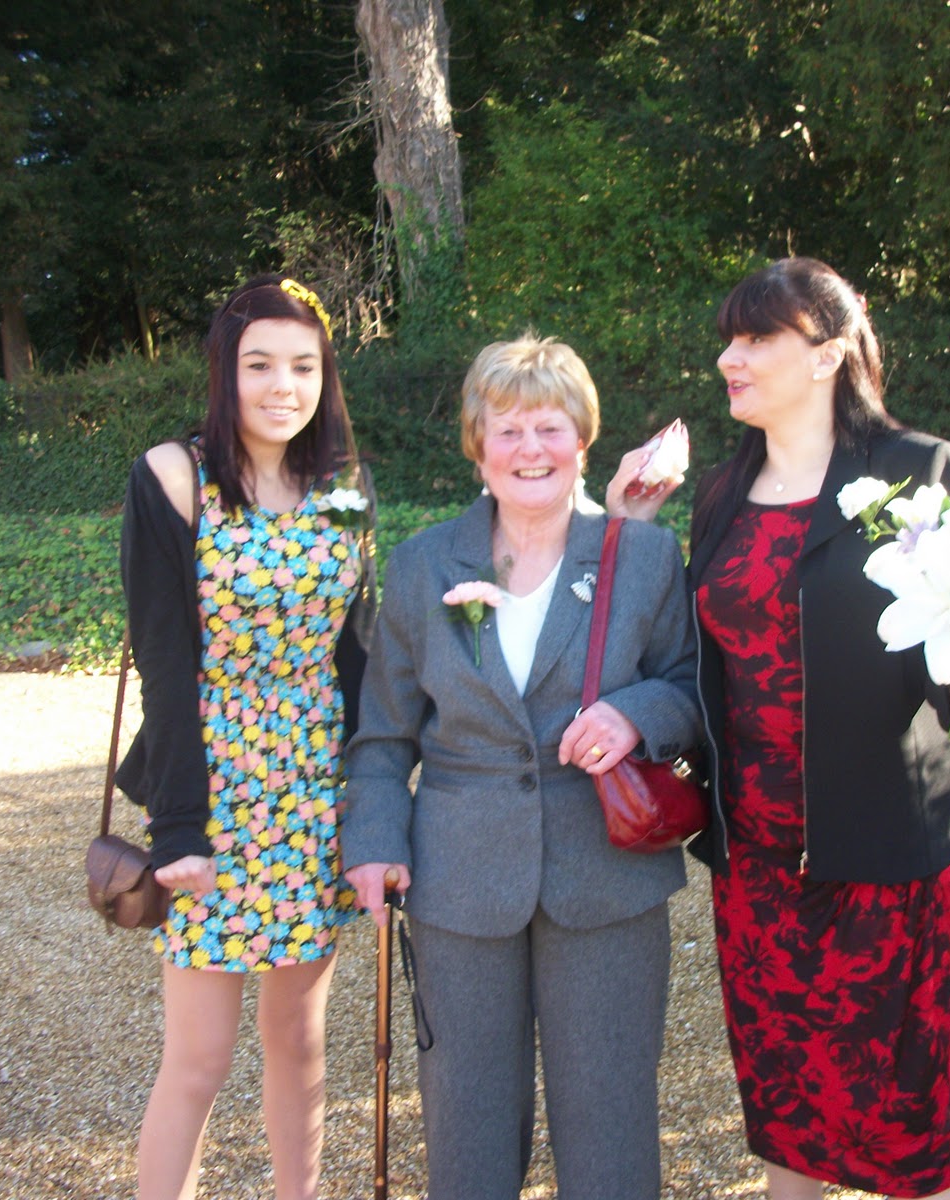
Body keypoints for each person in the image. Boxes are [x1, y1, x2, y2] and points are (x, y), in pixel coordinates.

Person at [608, 257, 950, 1200]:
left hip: (884, 844)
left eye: (757, 339)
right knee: (785, 1101)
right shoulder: (719, 494)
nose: (730, 359)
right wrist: (629, 527)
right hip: (757, 855)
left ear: (828, 354)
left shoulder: (917, 470)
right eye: (729, 340)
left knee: (905, 1112)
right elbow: (687, 656)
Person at [342, 333, 701, 1200]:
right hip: (458, 879)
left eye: (550, 427)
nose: (530, 449)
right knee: (465, 1119)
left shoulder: (642, 557)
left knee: (611, 1116)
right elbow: (382, 736)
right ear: (478, 446)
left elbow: (691, 687)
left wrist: (634, 715)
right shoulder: (422, 565)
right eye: (507, 430)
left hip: (607, 872)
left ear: (583, 440)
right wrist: (375, 840)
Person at [116, 274, 375, 1200]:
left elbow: (357, 648)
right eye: (259, 364)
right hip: (216, 784)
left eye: (303, 366)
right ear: (225, 371)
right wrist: (177, 828)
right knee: (199, 1056)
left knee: (299, 1041)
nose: (282, 386)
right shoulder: (172, 476)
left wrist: (373, 800)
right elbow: (163, 661)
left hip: (314, 783)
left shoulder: (343, 484)